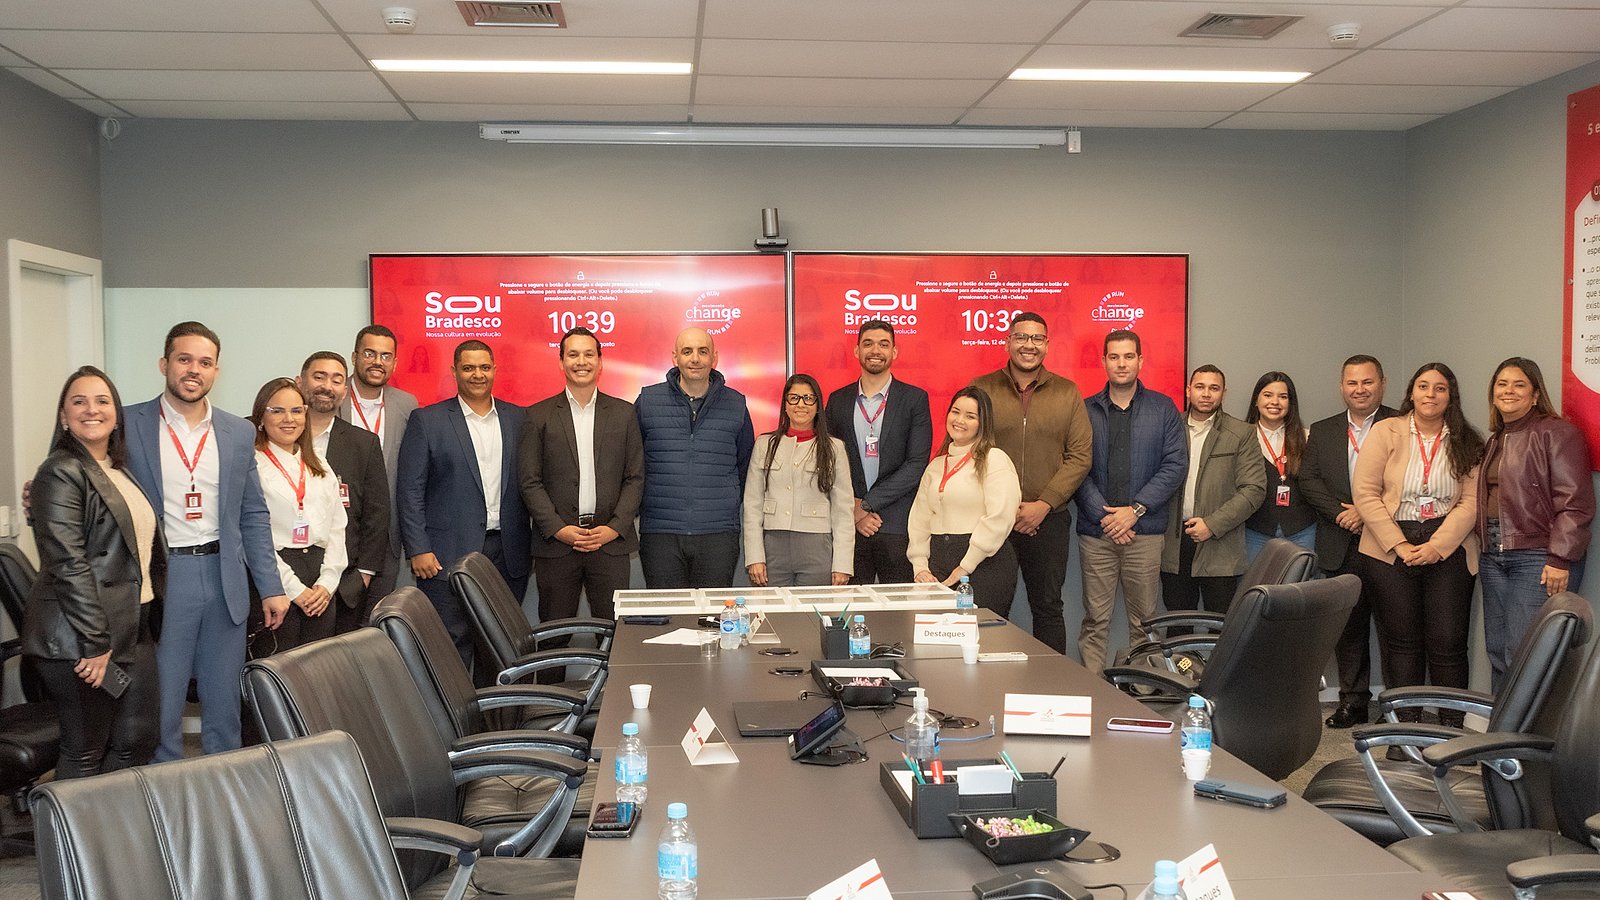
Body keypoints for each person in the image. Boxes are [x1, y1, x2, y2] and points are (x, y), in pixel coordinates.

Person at [121, 321, 287, 760]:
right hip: (163, 579)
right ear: (164, 364)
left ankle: (224, 786)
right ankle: (166, 790)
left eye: (205, 362)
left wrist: (271, 586)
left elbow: (253, 514)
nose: (194, 370)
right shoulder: (128, 424)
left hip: (222, 577)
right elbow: (91, 476)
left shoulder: (238, 432)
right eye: (184, 359)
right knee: (163, 701)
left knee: (224, 702)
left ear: (216, 371)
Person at [23, 367, 164, 776]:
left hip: (130, 629)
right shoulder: (61, 470)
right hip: (83, 639)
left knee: (136, 738)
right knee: (85, 750)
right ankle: (67, 821)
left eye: (102, 401)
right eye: (79, 401)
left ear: (116, 415)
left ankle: (111, 818)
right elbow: (69, 563)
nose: (92, 409)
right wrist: (95, 643)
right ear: (64, 416)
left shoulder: (116, 469)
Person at [1353, 362, 1484, 724]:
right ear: (1411, 392)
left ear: (1450, 396)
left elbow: (1471, 501)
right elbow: (1365, 492)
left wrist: (1436, 546)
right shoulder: (1386, 431)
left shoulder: (1467, 440)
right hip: (1390, 544)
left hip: (1449, 546)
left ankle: (1451, 728)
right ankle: (1404, 729)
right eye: (1423, 387)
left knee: (1448, 642)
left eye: (1440, 388)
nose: (1430, 395)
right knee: (1401, 643)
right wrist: (1399, 544)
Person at [395, 339, 531, 663]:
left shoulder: (520, 419)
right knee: (451, 644)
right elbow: (410, 490)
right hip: (444, 555)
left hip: (507, 553)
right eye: (468, 368)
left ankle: (496, 700)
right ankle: (455, 701)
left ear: (495, 370)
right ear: (454, 371)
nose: (477, 375)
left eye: (484, 367)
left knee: (499, 646)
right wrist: (418, 548)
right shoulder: (427, 420)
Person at [971, 312, 1093, 654]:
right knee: (989, 607)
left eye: (1037, 338)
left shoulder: (1067, 392)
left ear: (1047, 345)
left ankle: (1051, 681)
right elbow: (967, 446)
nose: (1029, 345)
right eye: (1022, 337)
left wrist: (1044, 504)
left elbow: (1080, 456)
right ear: (1008, 342)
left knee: (1048, 607)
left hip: (1048, 519)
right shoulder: (981, 388)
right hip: (992, 517)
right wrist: (1005, 508)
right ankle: (987, 681)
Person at [1476, 357, 1594, 690]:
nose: (1508, 391)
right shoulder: (1497, 438)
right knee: (1498, 651)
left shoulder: (1557, 432)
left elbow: (1575, 503)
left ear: (1535, 394)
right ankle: (1501, 721)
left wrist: (1560, 558)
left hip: (1537, 557)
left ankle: (1527, 725)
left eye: (1519, 385)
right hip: (1493, 555)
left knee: (1525, 653)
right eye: (1502, 384)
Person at [1073, 330, 1186, 675]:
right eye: (1114, 357)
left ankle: (1141, 690)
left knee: (1145, 622)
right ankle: (1093, 686)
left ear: (1140, 360)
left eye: (1128, 356)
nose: (1121, 364)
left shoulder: (1163, 408)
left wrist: (1134, 512)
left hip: (1145, 534)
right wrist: (1106, 517)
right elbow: (1076, 466)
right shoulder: (1084, 410)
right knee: (1095, 620)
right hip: (1097, 533)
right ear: (1103, 361)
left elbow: (1175, 465)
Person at [519, 327, 644, 622]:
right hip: (557, 545)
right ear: (561, 362)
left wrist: (614, 528)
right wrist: (558, 529)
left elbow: (635, 477)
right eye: (573, 355)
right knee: (555, 633)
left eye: (589, 354)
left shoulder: (624, 414)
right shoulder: (537, 416)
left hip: (610, 544)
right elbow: (529, 481)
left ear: (600, 362)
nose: (581, 362)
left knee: (614, 632)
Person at [1300, 355, 1398, 728]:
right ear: (1341, 386)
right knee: (1348, 629)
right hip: (1340, 540)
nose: (1360, 390)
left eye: (1367, 382)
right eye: (1352, 383)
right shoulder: (1323, 430)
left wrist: (1366, 512)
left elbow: (1407, 480)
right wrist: (1342, 514)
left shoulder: (1401, 425)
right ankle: (1353, 702)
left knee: (1394, 630)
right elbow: (1309, 480)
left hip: (1387, 542)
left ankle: (1396, 708)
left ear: (1382, 384)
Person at [635, 327, 755, 589]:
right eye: (687, 351)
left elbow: (745, 465)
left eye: (703, 351)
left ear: (714, 357)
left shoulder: (736, 404)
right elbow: (633, 463)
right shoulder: (648, 401)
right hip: (661, 532)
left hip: (717, 532)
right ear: (675, 357)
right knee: (667, 610)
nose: (695, 359)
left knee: (711, 612)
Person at [824, 320, 933, 585]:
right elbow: (828, 461)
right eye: (868, 344)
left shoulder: (914, 399)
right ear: (856, 351)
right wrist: (853, 509)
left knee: (899, 606)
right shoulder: (838, 400)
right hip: (850, 527)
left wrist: (866, 505)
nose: (875, 350)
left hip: (896, 525)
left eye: (884, 344)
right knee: (850, 606)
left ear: (894, 352)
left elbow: (916, 464)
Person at [246, 378, 348, 654]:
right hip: (276, 578)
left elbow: (337, 527)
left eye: (296, 411)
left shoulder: (318, 463)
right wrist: (294, 589)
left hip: (320, 581)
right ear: (261, 417)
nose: (288, 419)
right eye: (277, 411)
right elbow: (253, 535)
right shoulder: (252, 464)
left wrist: (327, 583)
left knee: (319, 668)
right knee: (278, 668)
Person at [1159, 365, 1266, 615]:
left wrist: (1212, 524)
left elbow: (1254, 489)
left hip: (1221, 542)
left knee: (1220, 624)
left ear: (1223, 393)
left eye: (1214, 388)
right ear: (1188, 390)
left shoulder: (1241, 433)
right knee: (1177, 623)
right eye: (1200, 387)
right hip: (1173, 541)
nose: (1206, 394)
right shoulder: (1169, 428)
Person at [299, 351, 390, 635]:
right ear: (299, 382)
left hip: (343, 587)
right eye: (319, 377)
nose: (327, 386)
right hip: (284, 584)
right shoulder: (271, 434)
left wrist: (363, 575)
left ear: (345, 389)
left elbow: (377, 513)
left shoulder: (363, 444)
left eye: (337, 380)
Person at [907, 387, 1022, 609]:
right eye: (955, 412)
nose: (959, 420)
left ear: (983, 423)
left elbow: (1000, 517)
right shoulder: (936, 466)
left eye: (970, 416)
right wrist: (920, 566)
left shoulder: (994, 459)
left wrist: (967, 565)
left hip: (984, 565)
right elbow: (919, 520)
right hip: (937, 564)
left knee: (983, 629)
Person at [744, 374, 854, 587]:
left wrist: (842, 564)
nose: (800, 404)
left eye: (808, 398)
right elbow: (752, 504)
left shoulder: (834, 448)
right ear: (785, 404)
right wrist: (755, 557)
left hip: (817, 547)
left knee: (813, 608)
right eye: (794, 398)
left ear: (818, 405)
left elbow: (843, 510)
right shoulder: (765, 444)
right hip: (772, 547)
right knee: (773, 607)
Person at [340, 324, 418, 598]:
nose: (377, 362)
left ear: (394, 363)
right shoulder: (333, 397)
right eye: (369, 353)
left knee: (377, 615)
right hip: (338, 530)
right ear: (354, 357)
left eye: (386, 356)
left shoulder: (407, 405)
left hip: (386, 532)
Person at [1242, 371, 1317, 560]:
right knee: (1255, 579)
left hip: (1301, 530)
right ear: (1256, 400)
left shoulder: (1307, 437)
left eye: (1283, 397)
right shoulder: (1241, 437)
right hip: (1255, 530)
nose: (1275, 402)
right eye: (1268, 395)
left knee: (1299, 579)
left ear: (1291, 403)